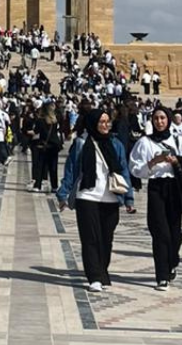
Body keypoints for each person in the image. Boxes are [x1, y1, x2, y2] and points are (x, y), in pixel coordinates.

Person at [57, 109, 136, 293]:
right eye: (101, 122)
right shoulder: (81, 143)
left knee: (106, 239)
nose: (105, 125)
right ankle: (94, 276)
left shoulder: (115, 144)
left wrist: (129, 197)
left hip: (111, 198)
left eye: (107, 121)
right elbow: (71, 170)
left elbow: (123, 171)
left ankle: (102, 271)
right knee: (90, 238)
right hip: (87, 196)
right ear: (93, 123)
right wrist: (63, 194)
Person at [129, 106, 182, 290]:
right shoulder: (145, 142)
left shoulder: (178, 140)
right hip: (156, 188)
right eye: (156, 118)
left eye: (162, 118)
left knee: (174, 234)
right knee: (160, 232)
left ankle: (172, 260)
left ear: (168, 120)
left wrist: (176, 161)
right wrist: (153, 162)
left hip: (174, 188)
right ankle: (161, 276)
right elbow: (135, 168)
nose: (159, 122)